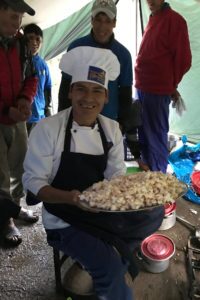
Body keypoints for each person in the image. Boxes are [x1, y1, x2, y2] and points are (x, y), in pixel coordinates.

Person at [23, 46, 164, 300]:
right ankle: (108, 267)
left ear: (106, 97)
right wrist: (72, 198)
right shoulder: (47, 129)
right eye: (81, 89)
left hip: (101, 211)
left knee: (157, 212)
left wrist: (139, 186)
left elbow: (115, 177)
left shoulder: (111, 129)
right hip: (63, 217)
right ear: (70, 92)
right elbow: (34, 183)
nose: (89, 98)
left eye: (97, 90)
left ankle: (102, 258)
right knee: (110, 270)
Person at [58, 0, 133, 134]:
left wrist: (123, 123)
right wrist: (62, 118)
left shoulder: (123, 54)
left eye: (107, 21)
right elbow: (65, 87)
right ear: (91, 20)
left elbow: (125, 92)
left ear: (114, 23)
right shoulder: (76, 47)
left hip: (108, 121)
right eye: (98, 20)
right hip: (77, 120)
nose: (102, 26)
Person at [135, 0, 192, 173]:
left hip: (157, 90)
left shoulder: (175, 21)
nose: (151, 0)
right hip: (142, 87)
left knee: (156, 136)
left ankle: (158, 177)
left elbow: (184, 60)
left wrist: (170, 85)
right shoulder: (154, 17)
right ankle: (149, 173)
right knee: (144, 133)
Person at [0, 0, 39, 246]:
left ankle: (15, 207)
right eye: (10, 17)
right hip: (3, 117)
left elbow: (32, 77)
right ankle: (5, 220)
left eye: (18, 19)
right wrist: (6, 110)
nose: (15, 24)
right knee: (0, 173)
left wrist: (25, 100)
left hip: (17, 119)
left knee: (20, 167)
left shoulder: (22, 44)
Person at [23, 23, 52, 134]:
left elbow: (47, 88)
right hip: (22, 116)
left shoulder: (43, 65)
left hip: (40, 117)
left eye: (38, 39)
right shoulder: (19, 61)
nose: (34, 42)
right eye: (30, 38)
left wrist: (47, 112)